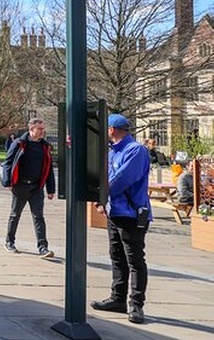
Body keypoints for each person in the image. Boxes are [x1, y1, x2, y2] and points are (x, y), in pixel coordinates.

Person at [91, 113, 151, 324]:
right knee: (116, 256)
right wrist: (100, 199)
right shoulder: (113, 152)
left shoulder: (136, 150)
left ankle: (136, 305)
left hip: (131, 214)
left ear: (111, 130)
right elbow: (105, 177)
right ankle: (118, 299)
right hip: (114, 212)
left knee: (134, 259)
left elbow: (120, 179)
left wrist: (101, 194)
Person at [1, 118, 56, 258]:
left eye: (43, 129)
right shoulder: (19, 143)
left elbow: (48, 168)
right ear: (31, 129)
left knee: (39, 217)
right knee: (15, 214)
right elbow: (8, 162)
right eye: (40, 129)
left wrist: (51, 189)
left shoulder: (45, 146)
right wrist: (8, 182)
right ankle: (9, 242)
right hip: (20, 186)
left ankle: (43, 247)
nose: (42, 132)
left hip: (37, 187)